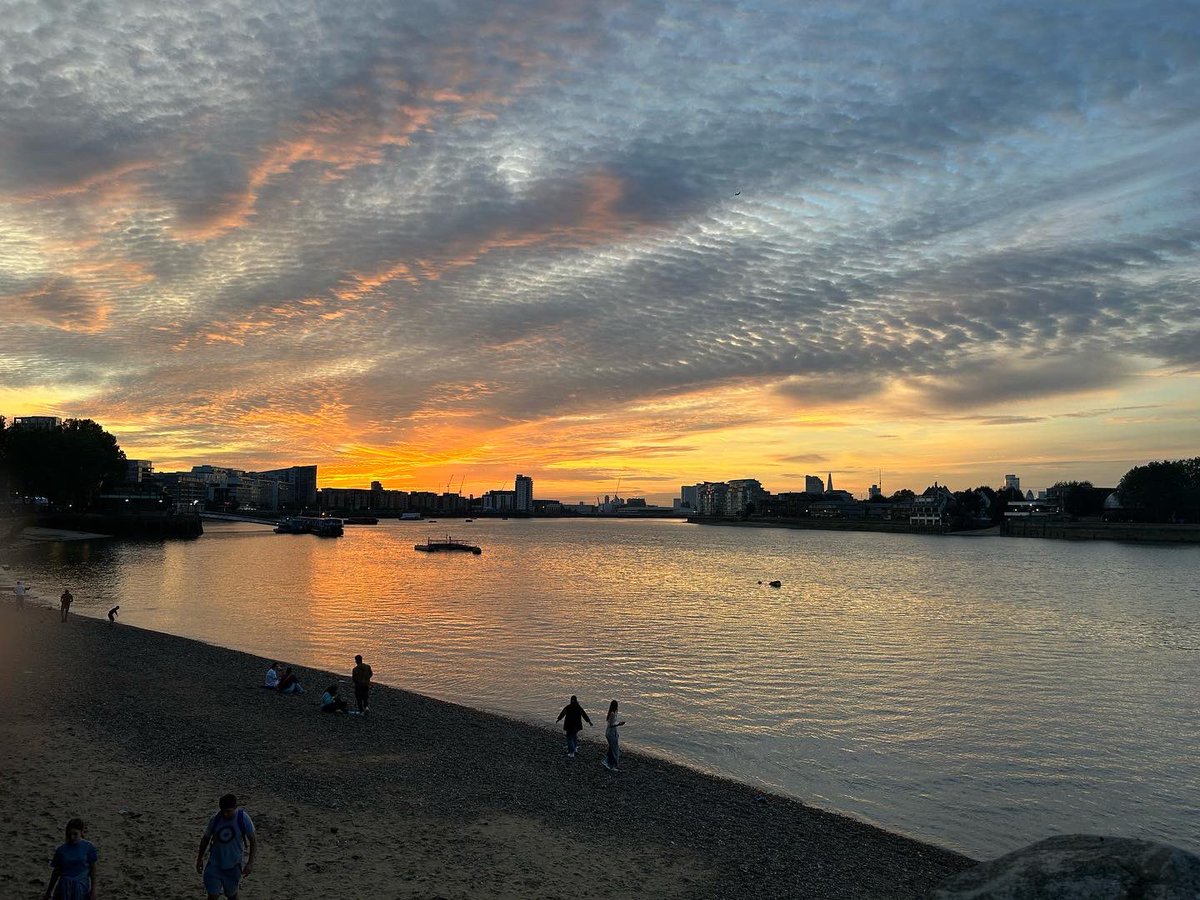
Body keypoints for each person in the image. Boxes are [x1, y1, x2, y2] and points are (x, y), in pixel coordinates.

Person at [196, 793, 255, 900]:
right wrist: (199, 859)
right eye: (223, 811)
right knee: (212, 896)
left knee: (231, 895)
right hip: (214, 865)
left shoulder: (243, 818)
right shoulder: (215, 819)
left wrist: (250, 863)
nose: (225, 814)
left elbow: (253, 841)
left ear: (235, 808)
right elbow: (205, 839)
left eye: (228, 811)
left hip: (233, 867)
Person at [44, 817, 98, 900]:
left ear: (81, 832)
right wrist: (49, 891)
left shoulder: (89, 847)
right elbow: (56, 872)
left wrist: (93, 890)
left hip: (81, 888)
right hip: (64, 888)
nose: (72, 837)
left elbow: (92, 870)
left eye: (75, 834)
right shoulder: (61, 850)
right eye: (70, 834)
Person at [603, 700, 625, 772]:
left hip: (611, 733)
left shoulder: (612, 713)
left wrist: (617, 732)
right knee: (614, 749)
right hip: (610, 733)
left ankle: (608, 762)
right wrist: (619, 724)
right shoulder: (612, 714)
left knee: (611, 749)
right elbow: (611, 725)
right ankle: (613, 764)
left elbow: (612, 724)